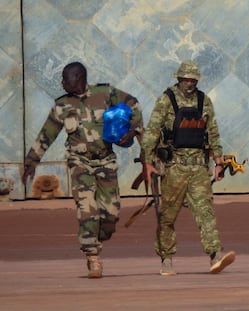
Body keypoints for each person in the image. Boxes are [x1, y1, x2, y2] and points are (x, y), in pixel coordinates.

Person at [21, 61, 144, 278]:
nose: (62, 82)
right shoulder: (62, 105)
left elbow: (133, 104)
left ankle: (99, 235)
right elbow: (46, 134)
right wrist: (31, 161)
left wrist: (133, 130)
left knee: (111, 214)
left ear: (78, 77)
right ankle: (93, 257)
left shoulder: (104, 93)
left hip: (106, 161)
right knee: (87, 208)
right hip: (80, 162)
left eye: (65, 78)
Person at [141, 60, 236, 276]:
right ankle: (166, 259)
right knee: (167, 216)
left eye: (193, 80)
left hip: (198, 167)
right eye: (186, 79)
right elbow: (152, 131)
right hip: (174, 167)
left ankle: (215, 254)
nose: (190, 84)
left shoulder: (204, 101)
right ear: (179, 78)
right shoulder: (166, 100)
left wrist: (219, 162)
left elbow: (213, 132)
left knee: (206, 212)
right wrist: (147, 163)